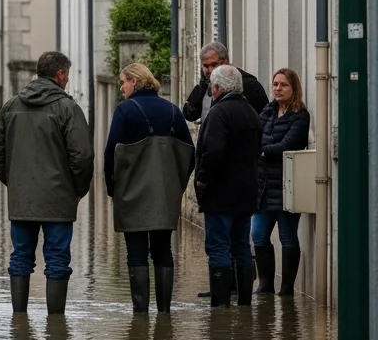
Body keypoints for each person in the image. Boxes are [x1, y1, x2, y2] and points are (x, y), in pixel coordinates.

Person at [0, 51, 94, 316]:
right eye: (67, 75)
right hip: (59, 198)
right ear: (59, 75)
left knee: (20, 257)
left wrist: (15, 182)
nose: (68, 81)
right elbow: (82, 156)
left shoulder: (11, 105)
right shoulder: (68, 108)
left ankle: (19, 319)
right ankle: (56, 325)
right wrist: (78, 189)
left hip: (22, 199)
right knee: (57, 259)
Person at [104, 63, 195, 314]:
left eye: (123, 81)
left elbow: (110, 153)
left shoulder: (124, 111)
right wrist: (178, 184)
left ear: (135, 81)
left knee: (136, 253)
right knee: (163, 250)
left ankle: (140, 313)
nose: (121, 87)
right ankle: (164, 311)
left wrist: (112, 188)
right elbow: (190, 154)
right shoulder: (173, 111)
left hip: (131, 192)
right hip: (165, 194)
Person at [194, 65, 262, 307]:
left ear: (218, 88)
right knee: (242, 246)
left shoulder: (218, 113)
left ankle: (220, 305)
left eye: (212, 86)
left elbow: (212, 152)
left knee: (218, 247)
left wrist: (202, 180)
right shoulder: (251, 112)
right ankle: (244, 303)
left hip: (220, 194)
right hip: (246, 193)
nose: (211, 91)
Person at [252, 68, 311, 295]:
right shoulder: (267, 111)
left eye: (283, 85)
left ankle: (286, 289)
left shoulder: (300, 115)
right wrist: (263, 150)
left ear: (293, 88)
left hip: (287, 186)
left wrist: (264, 151)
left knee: (287, 237)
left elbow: (290, 143)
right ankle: (265, 285)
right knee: (258, 234)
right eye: (275, 84)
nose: (277, 88)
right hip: (263, 186)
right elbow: (255, 136)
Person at [183, 42, 269, 122]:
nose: (209, 70)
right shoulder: (204, 86)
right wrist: (200, 89)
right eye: (205, 66)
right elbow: (189, 115)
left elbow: (264, 118)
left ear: (226, 61)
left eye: (214, 65)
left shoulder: (249, 85)